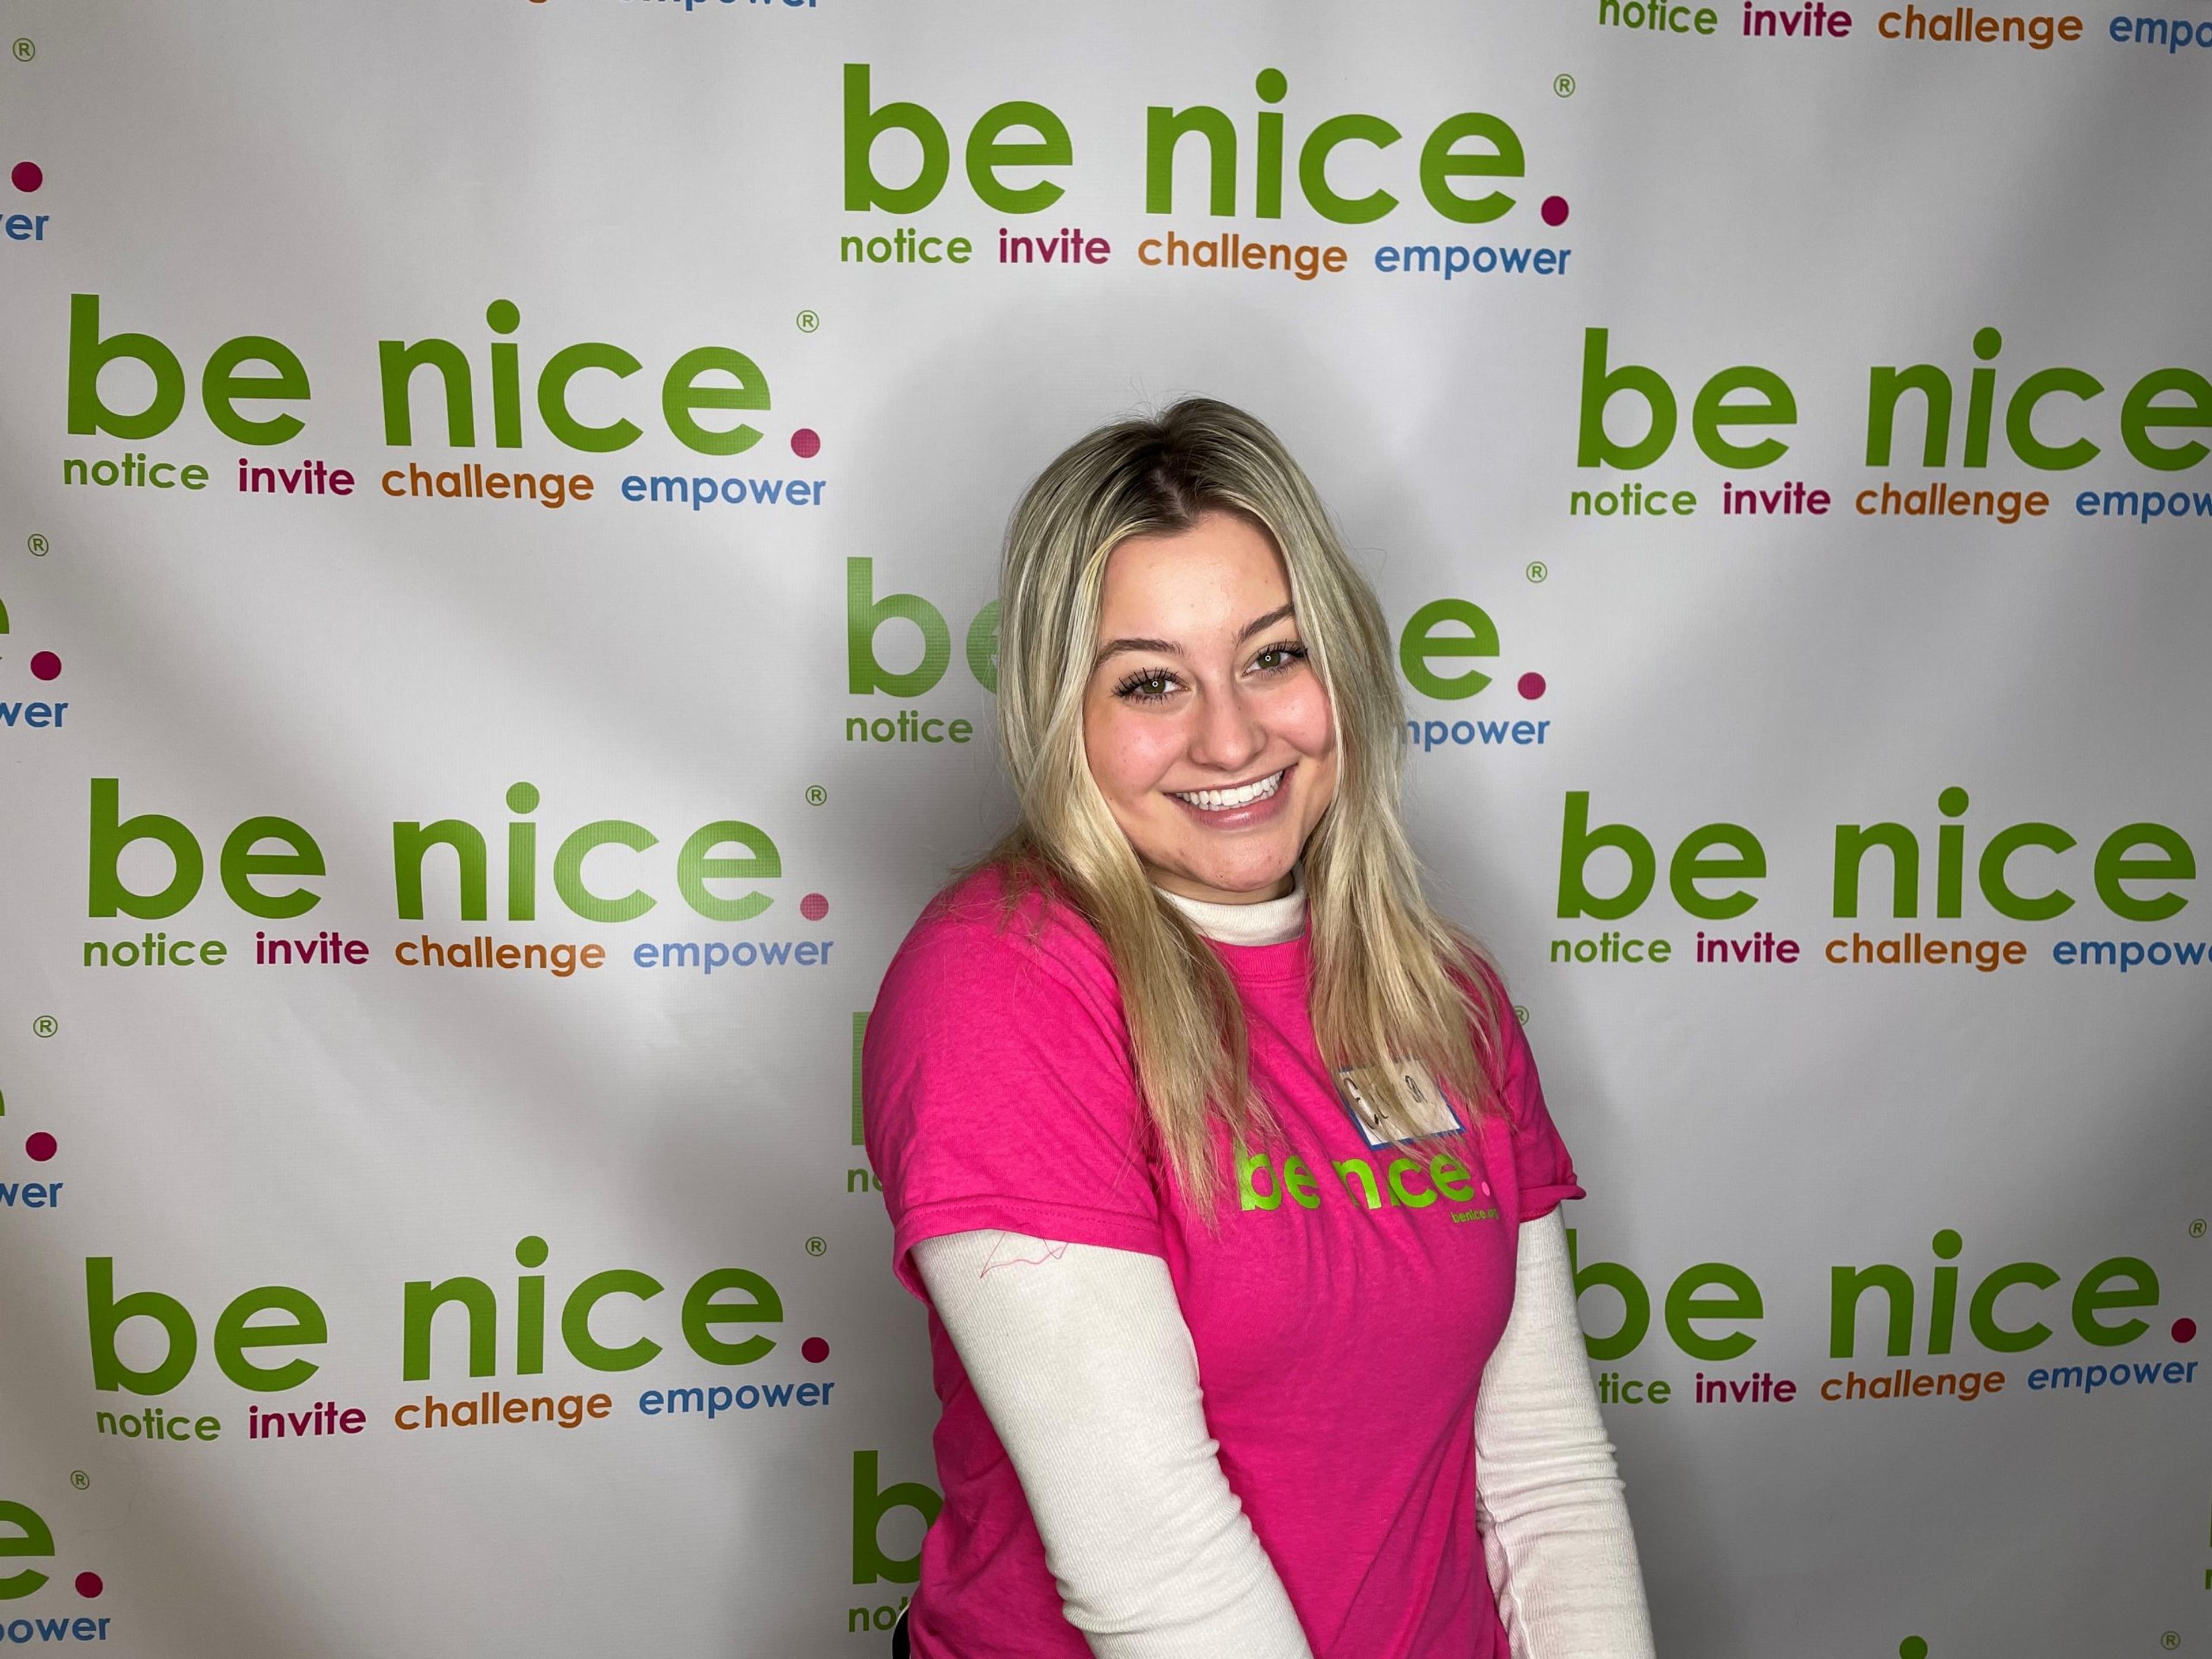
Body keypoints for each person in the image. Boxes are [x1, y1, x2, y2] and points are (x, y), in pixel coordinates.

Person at [861, 398, 1656, 1659]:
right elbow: (1152, 1567)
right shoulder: (999, 988)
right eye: (1152, 683)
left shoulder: (1440, 989)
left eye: (1274, 656)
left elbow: (1543, 1473)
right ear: (1062, 714)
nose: (1230, 736)